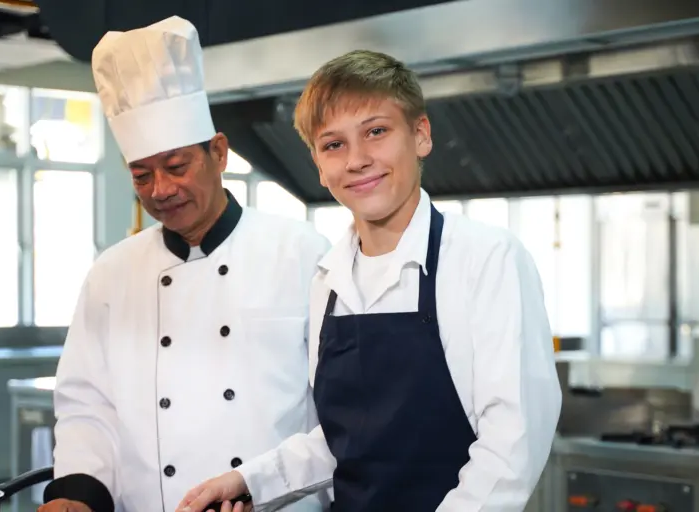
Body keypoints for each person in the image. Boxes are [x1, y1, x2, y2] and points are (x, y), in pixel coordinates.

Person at [178, 49, 563, 512]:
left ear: (420, 135)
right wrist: (248, 481)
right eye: (333, 144)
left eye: (376, 132)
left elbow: (512, 443)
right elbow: (348, 440)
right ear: (319, 166)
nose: (357, 160)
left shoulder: (486, 258)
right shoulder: (330, 279)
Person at [38, 16, 331, 512]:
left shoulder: (303, 253)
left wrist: (261, 487)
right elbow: (88, 407)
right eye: (141, 176)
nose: (161, 191)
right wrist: (79, 496)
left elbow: (341, 413)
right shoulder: (112, 274)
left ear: (218, 153)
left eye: (177, 167)